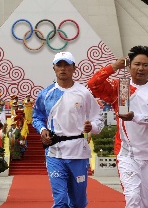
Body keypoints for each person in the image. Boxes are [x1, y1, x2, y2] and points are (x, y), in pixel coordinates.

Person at [88, 45, 148, 208]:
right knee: (132, 197)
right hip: (128, 153)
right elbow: (94, 84)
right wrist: (114, 67)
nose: (140, 68)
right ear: (129, 65)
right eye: (137, 64)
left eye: (145, 65)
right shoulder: (122, 87)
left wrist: (135, 117)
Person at [32, 51, 103, 208]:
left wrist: (92, 127)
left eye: (67, 65)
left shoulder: (84, 93)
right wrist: (42, 129)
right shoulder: (46, 94)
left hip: (78, 151)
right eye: (59, 65)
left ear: (74, 68)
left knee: (78, 202)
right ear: (54, 68)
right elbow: (36, 117)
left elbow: (99, 119)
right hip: (54, 152)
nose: (63, 69)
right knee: (60, 200)